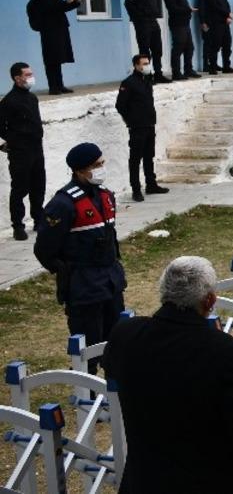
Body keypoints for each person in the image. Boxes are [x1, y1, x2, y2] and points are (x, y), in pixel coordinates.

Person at [102, 256, 233, 492]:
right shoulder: (224, 351)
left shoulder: (126, 335)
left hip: (145, 480)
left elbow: (112, 370)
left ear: (163, 293)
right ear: (210, 300)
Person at [34, 143, 125, 371]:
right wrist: (65, 271)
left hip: (111, 282)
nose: (101, 168)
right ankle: (88, 389)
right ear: (80, 170)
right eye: (96, 165)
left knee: (116, 347)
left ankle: (114, 389)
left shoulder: (106, 196)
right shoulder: (62, 204)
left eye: (102, 163)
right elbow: (44, 249)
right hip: (84, 288)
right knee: (88, 351)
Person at [0, 63, 45, 240]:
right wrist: (9, 143)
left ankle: (38, 219)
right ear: (17, 78)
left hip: (36, 149)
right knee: (20, 188)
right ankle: (18, 226)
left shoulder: (32, 98)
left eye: (31, 74)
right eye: (27, 75)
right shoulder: (9, 101)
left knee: (38, 186)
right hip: (20, 152)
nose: (31, 77)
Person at [116, 55, 169, 202]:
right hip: (137, 126)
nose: (147, 66)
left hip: (149, 124)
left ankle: (151, 184)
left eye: (148, 63)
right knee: (135, 159)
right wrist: (131, 120)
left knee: (148, 156)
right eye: (144, 64)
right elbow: (120, 106)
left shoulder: (147, 80)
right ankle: (136, 189)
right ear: (136, 65)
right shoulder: (128, 83)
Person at [27, 0, 80, 94]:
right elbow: (51, 8)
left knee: (58, 58)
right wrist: (66, 1)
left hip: (59, 27)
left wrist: (74, 2)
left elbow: (60, 7)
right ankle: (53, 87)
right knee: (51, 58)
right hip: (49, 29)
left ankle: (59, 85)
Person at [124, 0, 170, 83]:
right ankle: (146, 76)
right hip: (142, 22)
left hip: (153, 21)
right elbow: (128, 4)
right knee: (144, 50)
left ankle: (158, 74)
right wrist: (137, 18)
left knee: (157, 49)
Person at [197, 0, 233, 75]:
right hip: (214, 23)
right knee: (215, 45)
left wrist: (228, 16)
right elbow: (214, 6)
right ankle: (212, 67)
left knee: (227, 44)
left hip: (225, 22)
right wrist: (203, 22)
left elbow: (226, 4)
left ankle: (226, 66)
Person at [163, 0, 199, 80]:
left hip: (185, 23)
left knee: (189, 47)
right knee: (178, 48)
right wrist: (189, 9)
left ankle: (188, 70)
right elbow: (173, 9)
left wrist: (188, 9)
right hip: (177, 24)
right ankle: (176, 72)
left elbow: (183, 5)